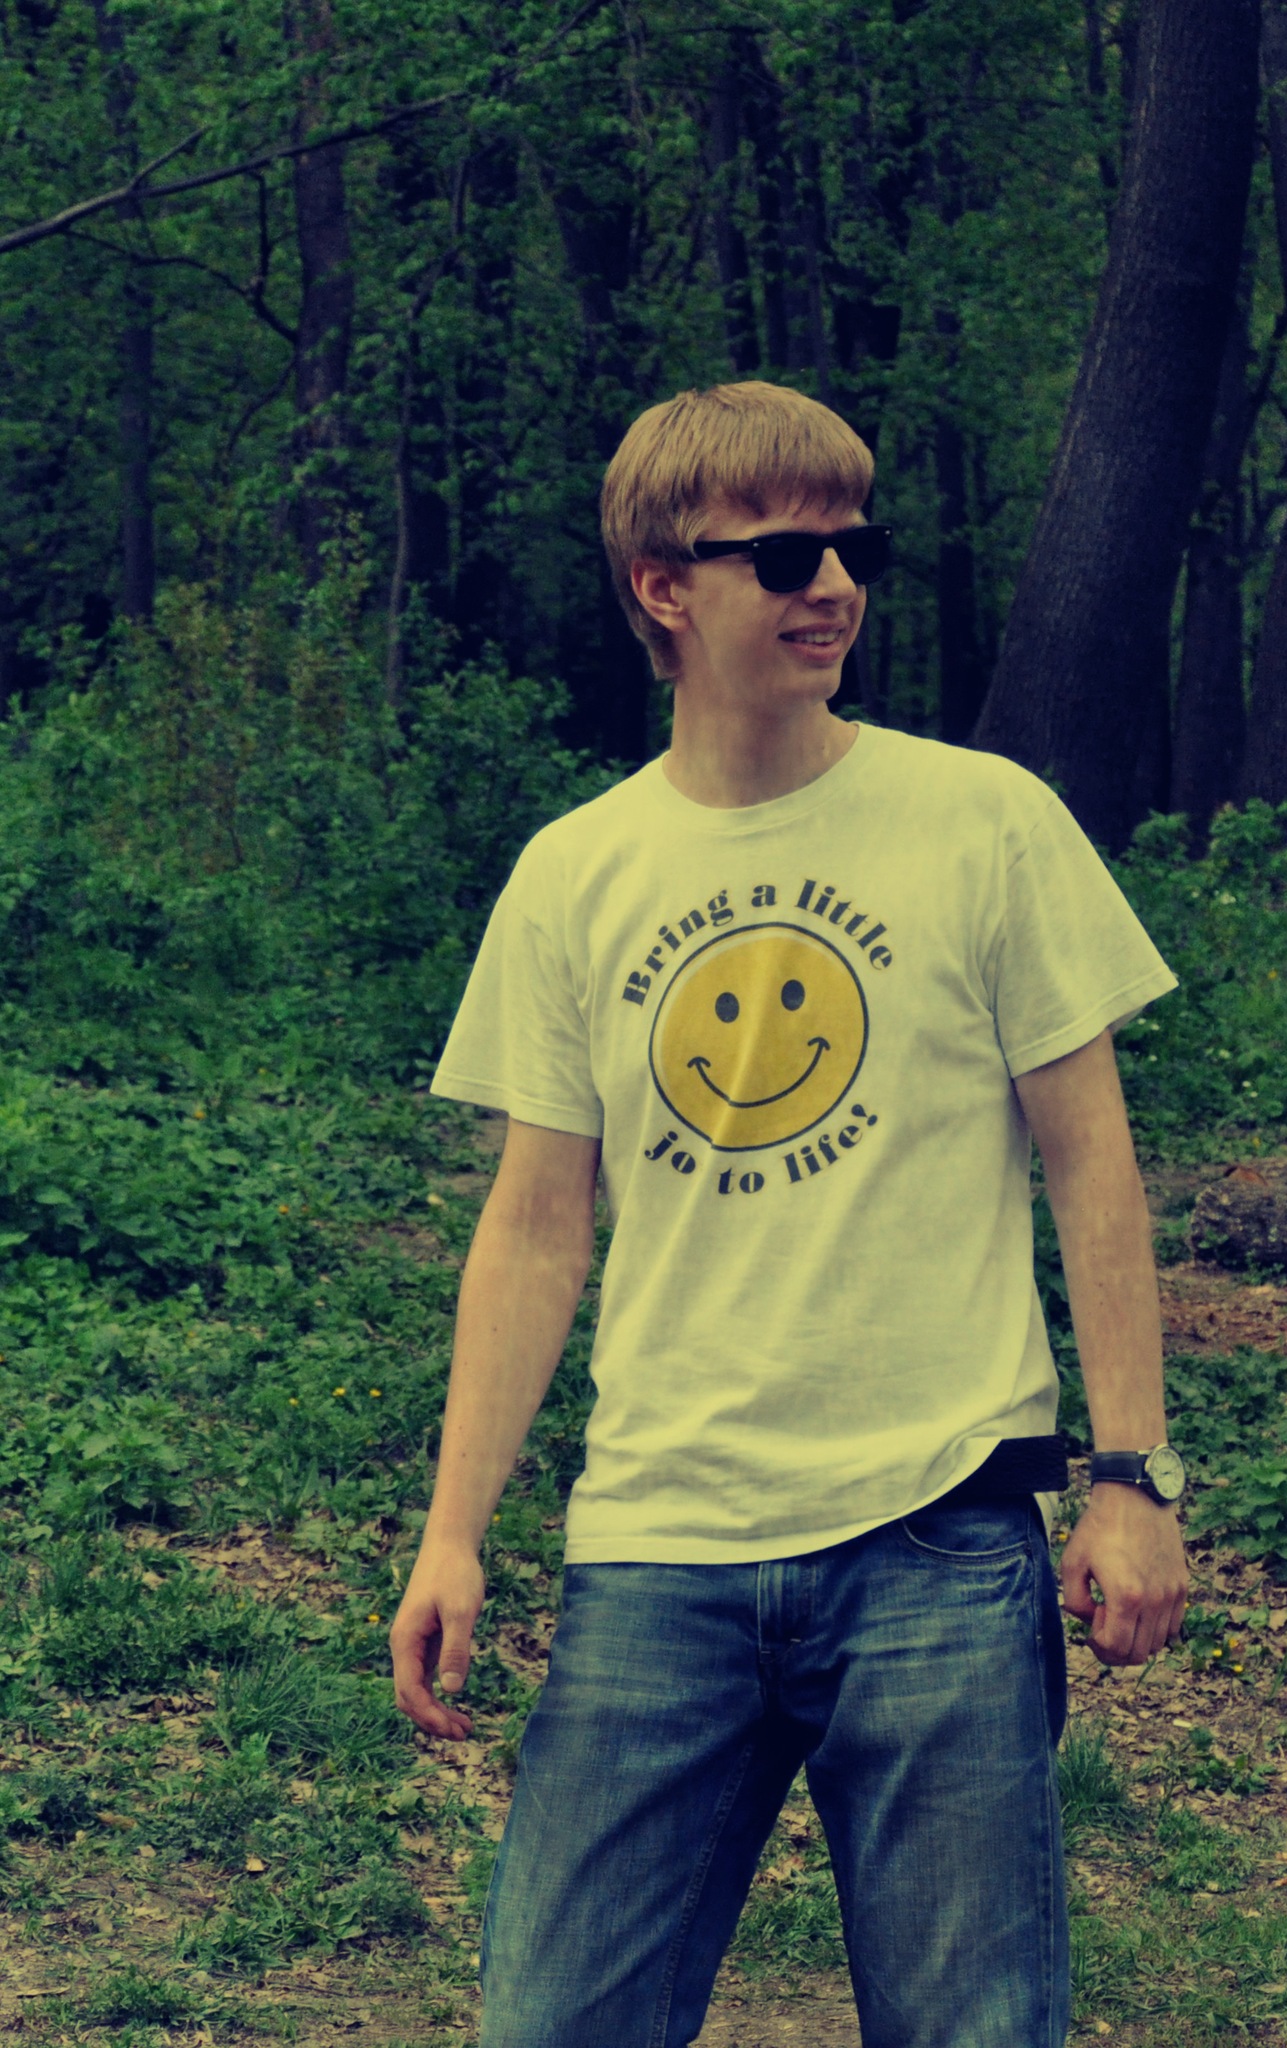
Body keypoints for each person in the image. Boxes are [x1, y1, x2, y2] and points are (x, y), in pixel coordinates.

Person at [389, 379, 1190, 2048]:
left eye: (852, 548)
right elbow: (535, 1225)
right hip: (656, 1545)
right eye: (783, 555)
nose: (832, 585)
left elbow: (1094, 1163)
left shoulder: (985, 822)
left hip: (938, 1534)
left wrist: (1130, 1477)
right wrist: (455, 1527)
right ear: (663, 588)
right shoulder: (576, 872)